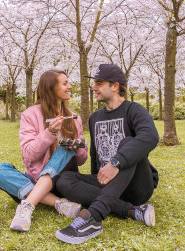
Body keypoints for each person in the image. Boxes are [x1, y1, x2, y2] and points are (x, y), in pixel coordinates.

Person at [55, 64, 159, 244]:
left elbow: (150, 136)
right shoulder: (95, 117)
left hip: (136, 186)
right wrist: (97, 176)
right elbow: (96, 154)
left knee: (127, 142)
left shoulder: (134, 110)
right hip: (108, 185)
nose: (94, 88)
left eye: (99, 83)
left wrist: (116, 163)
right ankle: (133, 211)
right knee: (64, 179)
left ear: (115, 86)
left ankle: (93, 216)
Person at [0, 70, 88, 232]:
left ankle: (28, 205)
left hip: (62, 180)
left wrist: (78, 149)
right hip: (35, 179)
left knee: (65, 151)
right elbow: (29, 155)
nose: (70, 86)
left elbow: (81, 160)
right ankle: (58, 203)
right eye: (65, 84)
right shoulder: (30, 115)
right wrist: (49, 133)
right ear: (50, 88)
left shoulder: (73, 118)